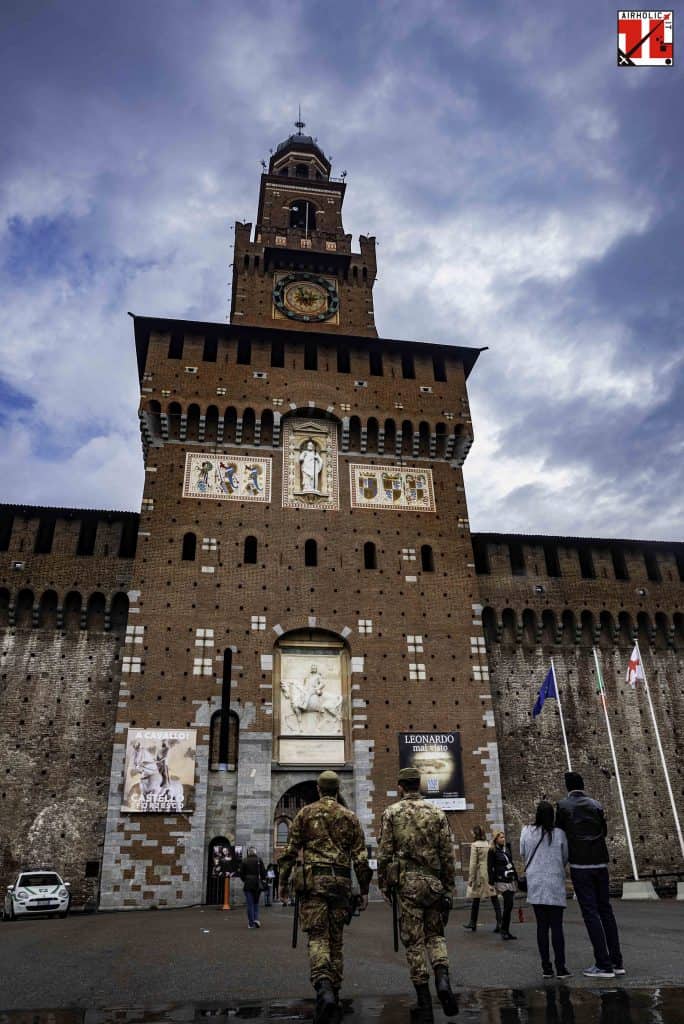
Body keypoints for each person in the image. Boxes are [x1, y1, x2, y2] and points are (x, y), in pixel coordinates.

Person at [278, 770, 371, 1024]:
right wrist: (364, 890)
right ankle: (335, 992)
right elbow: (361, 858)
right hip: (340, 884)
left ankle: (323, 986)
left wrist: (282, 884)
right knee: (336, 940)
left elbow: (289, 852)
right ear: (337, 790)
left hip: (314, 885)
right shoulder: (350, 817)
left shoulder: (305, 814)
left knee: (318, 937)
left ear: (319, 790)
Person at [377, 766, 458, 1023]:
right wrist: (448, 887)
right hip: (433, 882)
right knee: (435, 936)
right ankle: (443, 979)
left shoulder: (391, 813)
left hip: (407, 884)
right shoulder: (437, 812)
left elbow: (384, 854)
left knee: (414, 943)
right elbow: (447, 852)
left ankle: (424, 1000)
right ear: (419, 786)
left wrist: (384, 884)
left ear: (401, 787)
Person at [556, 771, 624, 979]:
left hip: (580, 865)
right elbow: (603, 831)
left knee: (590, 912)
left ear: (568, 787)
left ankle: (603, 964)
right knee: (606, 910)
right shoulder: (596, 805)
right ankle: (616, 961)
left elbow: (560, 833)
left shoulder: (563, 806)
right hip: (600, 863)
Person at [520, 800, 571, 979]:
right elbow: (565, 857)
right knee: (557, 927)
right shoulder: (560, 834)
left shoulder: (526, 832)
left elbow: (523, 853)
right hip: (554, 884)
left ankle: (546, 968)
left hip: (536, 884)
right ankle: (561, 967)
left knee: (542, 927)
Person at [463, 825, 502, 933]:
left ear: (475, 834)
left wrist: (470, 878)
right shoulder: (488, 845)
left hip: (479, 875)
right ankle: (500, 922)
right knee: (494, 898)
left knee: (476, 898)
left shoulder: (475, 845)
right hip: (489, 874)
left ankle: (472, 922)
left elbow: (473, 864)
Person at [487, 831, 518, 940]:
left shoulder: (506, 849)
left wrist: (516, 876)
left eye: (504, 836)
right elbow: (489, 867)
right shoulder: (492, 851)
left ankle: (506, 930)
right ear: (496, 839)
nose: (503, 839)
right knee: (508, 903)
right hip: (501, 880)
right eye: (501, 837)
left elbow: (511, 863)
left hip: (510, 879)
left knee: (509, 906)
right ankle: (504, 930)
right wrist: (491, 882)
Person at [239, 847, 267, 929]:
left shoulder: (244, 860)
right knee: (256, 903)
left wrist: (245, 880)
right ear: (255, 852)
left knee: (250, 904)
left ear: (248, 853)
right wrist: (262, 880)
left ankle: (251, 923)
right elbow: (263, 873)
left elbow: (241, 874)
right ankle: (256, 919)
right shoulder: (259, 860)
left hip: (248, 884)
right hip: (257, 884)